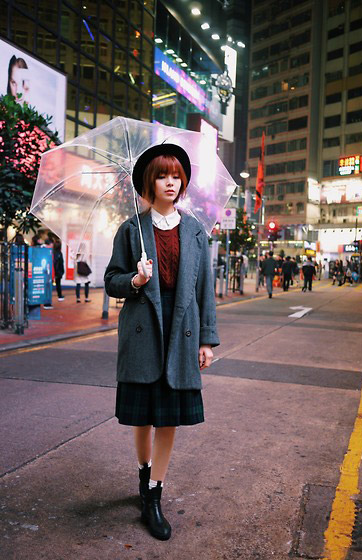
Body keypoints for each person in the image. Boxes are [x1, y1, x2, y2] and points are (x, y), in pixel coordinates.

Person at [104, 143, 219, 541]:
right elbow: (111, 280)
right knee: (143, 415)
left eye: (175, 176)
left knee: (169, 416)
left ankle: (154, 493)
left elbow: (205, 290)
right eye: (161, 176)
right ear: (148, 183)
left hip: (181, 329)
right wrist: (135, 281)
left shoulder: (194, 231)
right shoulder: (132, 228)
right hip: (143, 327)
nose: (170, 182)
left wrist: (207, 340)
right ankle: (143, 473)